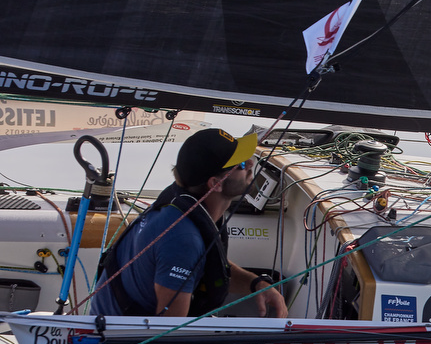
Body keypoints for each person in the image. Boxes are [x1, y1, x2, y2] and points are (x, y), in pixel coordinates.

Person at [91, 128, 288, 318]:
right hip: (118, 343)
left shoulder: (183, 202)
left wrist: (257, 285)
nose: (251, 164)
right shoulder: (182, 238)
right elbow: (169, 330)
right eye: (241, 165)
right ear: (215, 184)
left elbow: (208, 265)